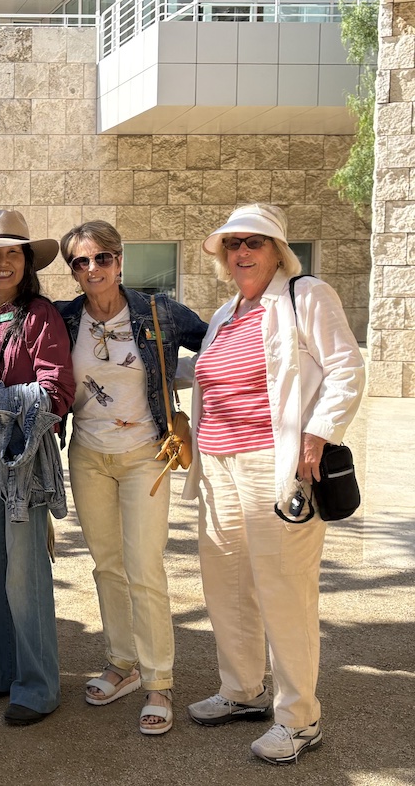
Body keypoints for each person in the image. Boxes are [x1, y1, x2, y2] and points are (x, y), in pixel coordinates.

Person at [182, 204, 365, 764]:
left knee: (283, 589)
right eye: (232, 245)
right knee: (228, 585)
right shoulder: (224, 314)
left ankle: (299, 718)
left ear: (277, 250)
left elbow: (346, 367)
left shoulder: (304, 295)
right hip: (217, 465)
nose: (241, 254)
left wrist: (318, 433)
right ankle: (242, 691)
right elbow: (209, 375)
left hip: (275, 462)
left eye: (253, 244)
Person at [56, 220, 207, 735]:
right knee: (107, 565)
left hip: (147, 453)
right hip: (89, 455)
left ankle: (158, 681)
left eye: (101, 258)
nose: (92, 268)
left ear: (119, 260)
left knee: (144, 566)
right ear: (72, 271)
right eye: (80, 261)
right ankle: (122, 662)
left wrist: (179, 376)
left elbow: (214, 345)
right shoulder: (64, 317)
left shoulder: (158, 311)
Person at [0, 210, 75, 726]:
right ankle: (1, 667)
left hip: (23, 459)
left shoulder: (43, 315)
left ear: (26, 262)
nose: (1, 262)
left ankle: (38, 683)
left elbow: (58, 390)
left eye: (11, 253)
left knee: (25, 573)